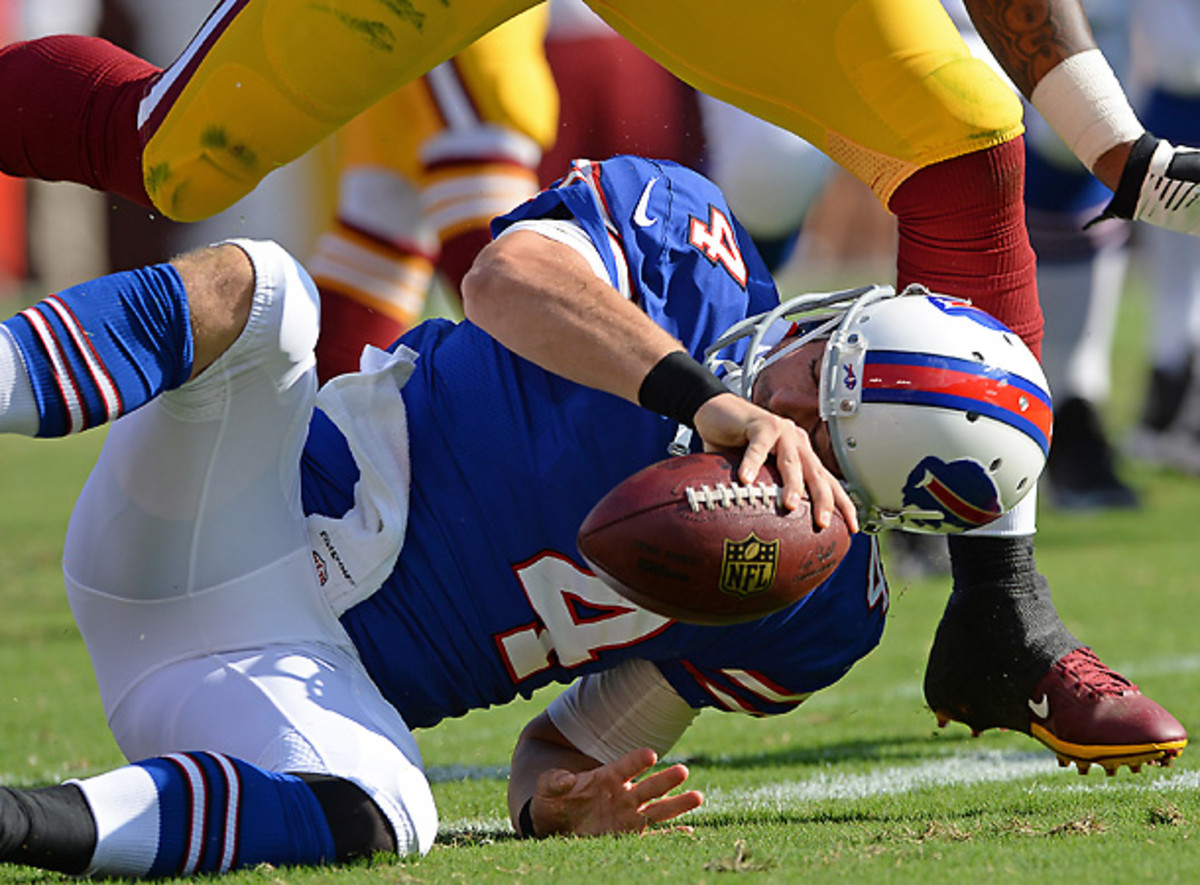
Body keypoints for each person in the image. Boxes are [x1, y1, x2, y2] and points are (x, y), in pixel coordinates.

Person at [0, 0, 1194, 804]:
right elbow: (506, 279)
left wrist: (1114, 139)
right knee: (177, 154)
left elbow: (565, 757)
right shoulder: (690, 264)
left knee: (967, 141)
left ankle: (1003, 612)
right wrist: (695, 395)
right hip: (287, 558)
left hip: (298, 654)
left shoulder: (819, 598)